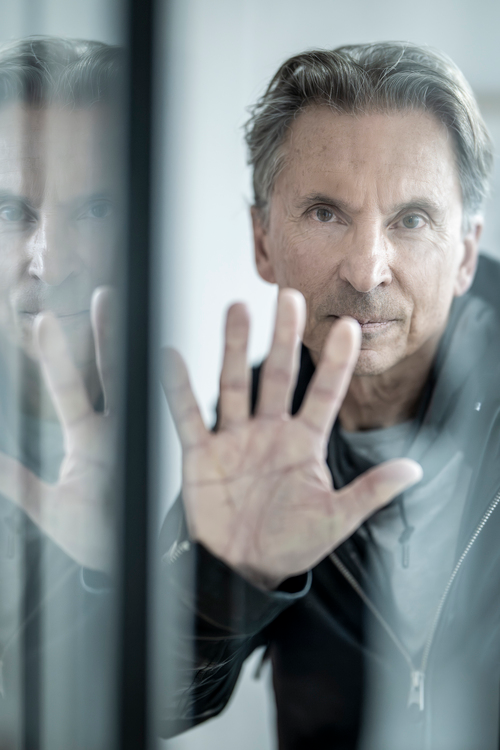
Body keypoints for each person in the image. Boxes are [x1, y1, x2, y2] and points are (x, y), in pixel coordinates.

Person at [160, 43, 500, 750]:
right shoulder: (258, 424)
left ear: (466, 253)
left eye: (412, 219)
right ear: (262, 240)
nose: (367, 270)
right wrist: (229, 583)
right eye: (324, 212)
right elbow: (154, 705)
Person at [0, 37, 124, 749]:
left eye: (96, 210)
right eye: (11, 212)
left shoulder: (203, 427)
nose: (51, 262)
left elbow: (188, 695)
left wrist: (112, 570)